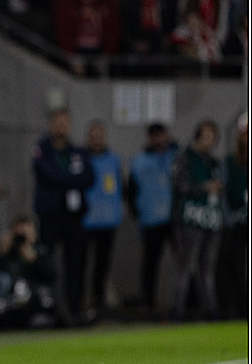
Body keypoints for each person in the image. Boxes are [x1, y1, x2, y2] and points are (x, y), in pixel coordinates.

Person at [32, 108, 94, 325]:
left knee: (76, 264)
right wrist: (70, 177)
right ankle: (48, 310)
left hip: (74, 216)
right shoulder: (42, 150)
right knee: (47, 262)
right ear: (51, 124)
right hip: (50, 215)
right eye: (58, 122)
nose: (62, 126)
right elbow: (48, 174)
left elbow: (88, 177)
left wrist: (66, 179)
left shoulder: (77, 151)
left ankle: (75, 310)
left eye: (65, 122)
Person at [170, 120, 224, 321]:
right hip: (190, 219)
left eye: (212, 136)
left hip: (211, 219)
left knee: (206, 268)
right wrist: (203, 187)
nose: (209, 140)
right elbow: (179, 185)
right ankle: (176, 310)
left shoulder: (214, 162)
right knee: (185, 267)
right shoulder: (185, 158)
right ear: (198, 136)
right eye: (205, 135)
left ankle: (211, 310)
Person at [126, 123, 179, 316]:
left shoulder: (177, 157)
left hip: (175, 220)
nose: (159, 140)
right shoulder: (139, 161)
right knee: (150, 264)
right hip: (150, 220)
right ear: (149, 138)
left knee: (184, 264)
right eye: (155, 136)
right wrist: (137, 213)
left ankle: (186, 303)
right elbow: (131, 191)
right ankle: (147, 304)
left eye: (162, 135)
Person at [80, 121, 123, 319]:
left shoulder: (113, 159)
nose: (97, 139)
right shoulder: (81, 158)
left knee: (102, 265)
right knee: (82, 264)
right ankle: (81, 303)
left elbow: (119, 187)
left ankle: (99, 301)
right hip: (87, 221)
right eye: (93, 135)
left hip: (108, 221)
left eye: (100, 135)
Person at [216, 115, 248, 319]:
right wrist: (230, 218)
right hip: (235, 223)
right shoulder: (230, 162)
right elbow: (224, 193)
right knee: (230, 263)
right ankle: (233, 307)